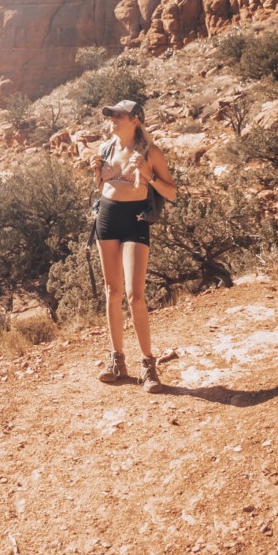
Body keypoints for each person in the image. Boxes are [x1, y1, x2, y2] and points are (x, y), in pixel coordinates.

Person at [90, 99, 177, 393]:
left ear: (135, 120)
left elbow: (173, 193)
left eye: (119, 116)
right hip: (106, 219)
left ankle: (148, 364)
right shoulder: (106, 149)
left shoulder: (150, 153)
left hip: (135, 220)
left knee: (134, 295)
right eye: (111, 116)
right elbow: (102, 188)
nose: (113, 120)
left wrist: (149, 176)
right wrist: (96, 173)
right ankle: (117, 361)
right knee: (112, 291)